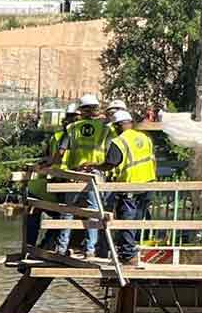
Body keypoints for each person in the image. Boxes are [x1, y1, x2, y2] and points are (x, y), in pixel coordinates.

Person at [87, 109, 156, 266]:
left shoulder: (119, 142)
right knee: (137, 219)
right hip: (149, 183)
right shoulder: (145, 138)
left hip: (130, 185)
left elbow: (111, 163)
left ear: (118, 126)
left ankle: (128, 255)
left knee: (127, 220)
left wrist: (94, 166)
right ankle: (133, 250)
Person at [52, 94, 114, 259]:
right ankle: (90, 250)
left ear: (81, 110)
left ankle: (61, 248)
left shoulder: (72, 128)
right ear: (95, 108)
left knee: (68, 210)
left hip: (76, 174)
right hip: (95, 174)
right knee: (93, 212)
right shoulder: (105, 129)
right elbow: (110, 152)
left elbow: (60, 152)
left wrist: (51, 164)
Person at [24, 103, 80, 248]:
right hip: (63, 181)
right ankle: (44, 246)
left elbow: (49, 158)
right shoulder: (62, 136)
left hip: (63, 181)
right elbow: (51, 158)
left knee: (59, 216)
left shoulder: (59, 136)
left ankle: (38, 246)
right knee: (61, 216)